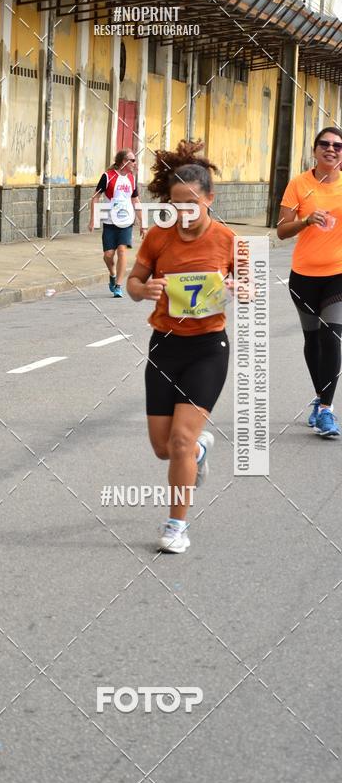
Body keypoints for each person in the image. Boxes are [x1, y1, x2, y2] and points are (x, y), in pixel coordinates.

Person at [126, 141, 235, 554]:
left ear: (209, 199)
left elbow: (249, 284)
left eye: (191, 204)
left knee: (180, 443)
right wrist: (144, 288)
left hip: (208, 348)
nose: (183, 212)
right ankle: (201, 448)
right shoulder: (158, 237)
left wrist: (237, 286)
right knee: (161, 447)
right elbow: (134, 284)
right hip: (165, 346)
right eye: (175, 204)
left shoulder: (227, 239)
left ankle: (176, 526)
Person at [278, 127, 342, 439]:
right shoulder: (299, 184)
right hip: (303, 276)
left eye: (338, 146)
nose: (332, 150)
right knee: (313, 340)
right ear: (315, 149)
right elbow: (281, 230)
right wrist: (305, 220)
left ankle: (327, 410)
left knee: (332, 336)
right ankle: (320, 397)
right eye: (326, 144)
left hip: (338, 274)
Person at [88, 149, 144, 298]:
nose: (134, 163)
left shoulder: (131, 179)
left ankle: (118, 286)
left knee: (122, 251)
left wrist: (142, 222)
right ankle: (112, 274)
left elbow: (135, 200)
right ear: (123, 162)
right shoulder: (108, 177)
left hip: (126, 221)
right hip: (109, 221)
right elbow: (95, 197)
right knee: (108, 255)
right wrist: (93, 219)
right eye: (132, 160)